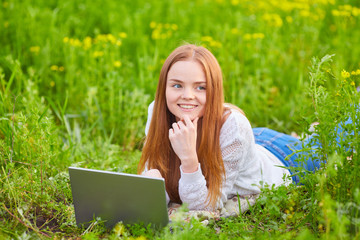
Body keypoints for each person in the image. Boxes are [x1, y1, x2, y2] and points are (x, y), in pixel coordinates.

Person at [137, 44, 321, 211]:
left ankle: (312, 134)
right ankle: (305, 134)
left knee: (335, 140)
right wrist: (153, 180)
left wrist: (189, 159)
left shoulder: (234, 126)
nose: (187, 95)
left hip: (283, 158)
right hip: (248, 142)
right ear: (164, 88)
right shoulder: (157, 112)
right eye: (177, 85)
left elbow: (207, 205)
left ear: (214, 90)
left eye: (200, 88)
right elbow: (161, 187)